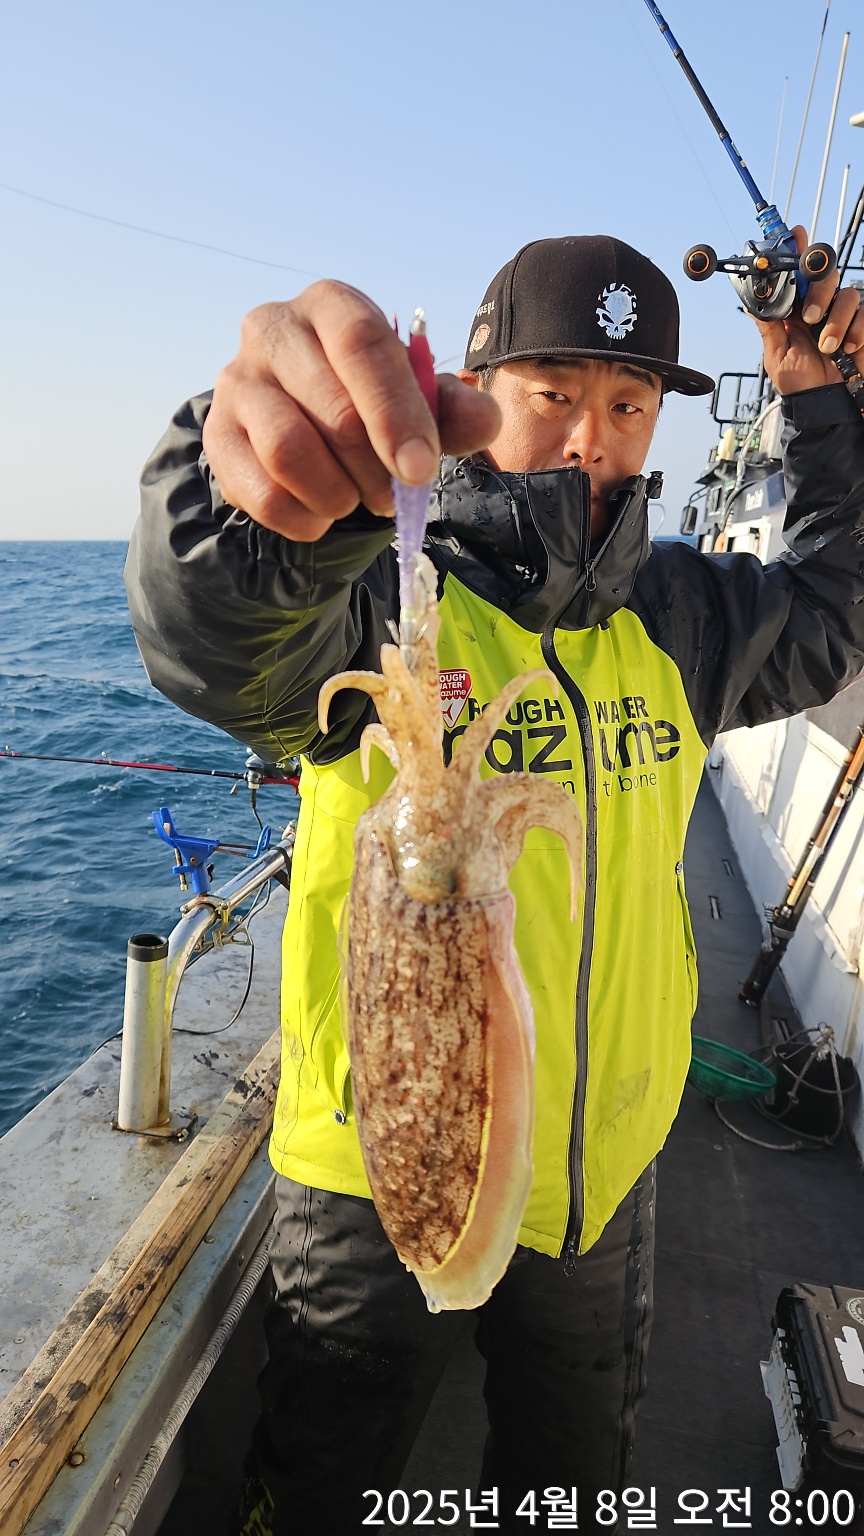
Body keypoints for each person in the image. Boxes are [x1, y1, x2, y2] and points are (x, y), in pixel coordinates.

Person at [125, 232, 864, 1534]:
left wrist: (817, 403)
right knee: (325, 1487)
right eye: (554, 394)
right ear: (471, 398)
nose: (593, 439)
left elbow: (837, 608)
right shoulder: (378, 594)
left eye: (630, 403)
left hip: (600, 1174)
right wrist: (249, 489)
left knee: (567, 1493)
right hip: (371, 1161)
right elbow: (224, 637)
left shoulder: (684, 614)